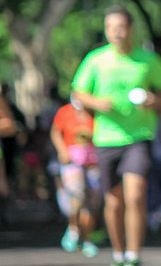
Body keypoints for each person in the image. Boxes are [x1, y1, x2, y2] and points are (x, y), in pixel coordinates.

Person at [72, 5, 161, 266]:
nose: (115, 33)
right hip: (106, 139)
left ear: (130, 29)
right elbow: (78, 93)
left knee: (135, 195)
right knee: (114, 202)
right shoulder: (95, 60)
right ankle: (118, 251)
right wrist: (96, 102)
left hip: (139, 136)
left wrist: (154, 100)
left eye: (120, 27)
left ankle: (133, 254)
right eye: (110, 28)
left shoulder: (148, 60)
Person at [51, 96, 103, 257]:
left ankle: (87, 239)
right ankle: (73, 228)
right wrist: (62, 151)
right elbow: (55, 132)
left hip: (94, 162)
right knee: (76, 196)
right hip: (72, 161)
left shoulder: (98, 112)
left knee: (92, 203)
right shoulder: (65, 112)